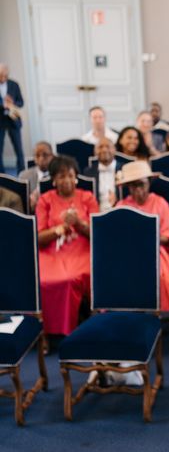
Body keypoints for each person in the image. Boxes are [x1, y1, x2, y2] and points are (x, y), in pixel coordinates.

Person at [36, 156, 99, 335]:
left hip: (82, 250)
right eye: (62, 176)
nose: (67, 180)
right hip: (52, 252)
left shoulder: (87, 198)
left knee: (71, 278)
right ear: (54, 180)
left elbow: (98, 233)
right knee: (44, 281)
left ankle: (72, 329)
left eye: (71, 175)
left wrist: (78, 223)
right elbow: (39, 237)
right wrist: (59, 229)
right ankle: (46, 331)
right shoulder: (45, 200)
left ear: (76, 177)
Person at [116, 161, 169, 311]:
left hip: (156, 249)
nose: (138, 189)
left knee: (164, 277)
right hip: (128, 252)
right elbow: (117, 237)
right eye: (133, 185)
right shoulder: (121, 206)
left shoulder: (160, 203)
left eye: (142, 184)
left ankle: (164, 318)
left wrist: (147, 235)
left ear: (149, 182)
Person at [83, 138, 123, 211]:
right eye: (100, 147)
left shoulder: (124, 169)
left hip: (121, 211)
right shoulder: (88, 172)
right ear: (95, 151)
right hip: (96, 212)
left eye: (108, 146)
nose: (104, 150)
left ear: (114, 150)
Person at [0, 63, 25, 173]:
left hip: (13, 120)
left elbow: (21, 102)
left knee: (19, 149)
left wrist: (12, 102)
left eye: (5, 75)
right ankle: (2, 175)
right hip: (0, 120)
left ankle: (22, 173)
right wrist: (2, 105)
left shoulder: (14, 84)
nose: (3, 78)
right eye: (1, 75)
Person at [19, 141, 53, 209]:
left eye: (45, 155)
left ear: (52, 156)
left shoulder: (59, 175)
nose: (41, 159)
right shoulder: (24, 176)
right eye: (37, 155)